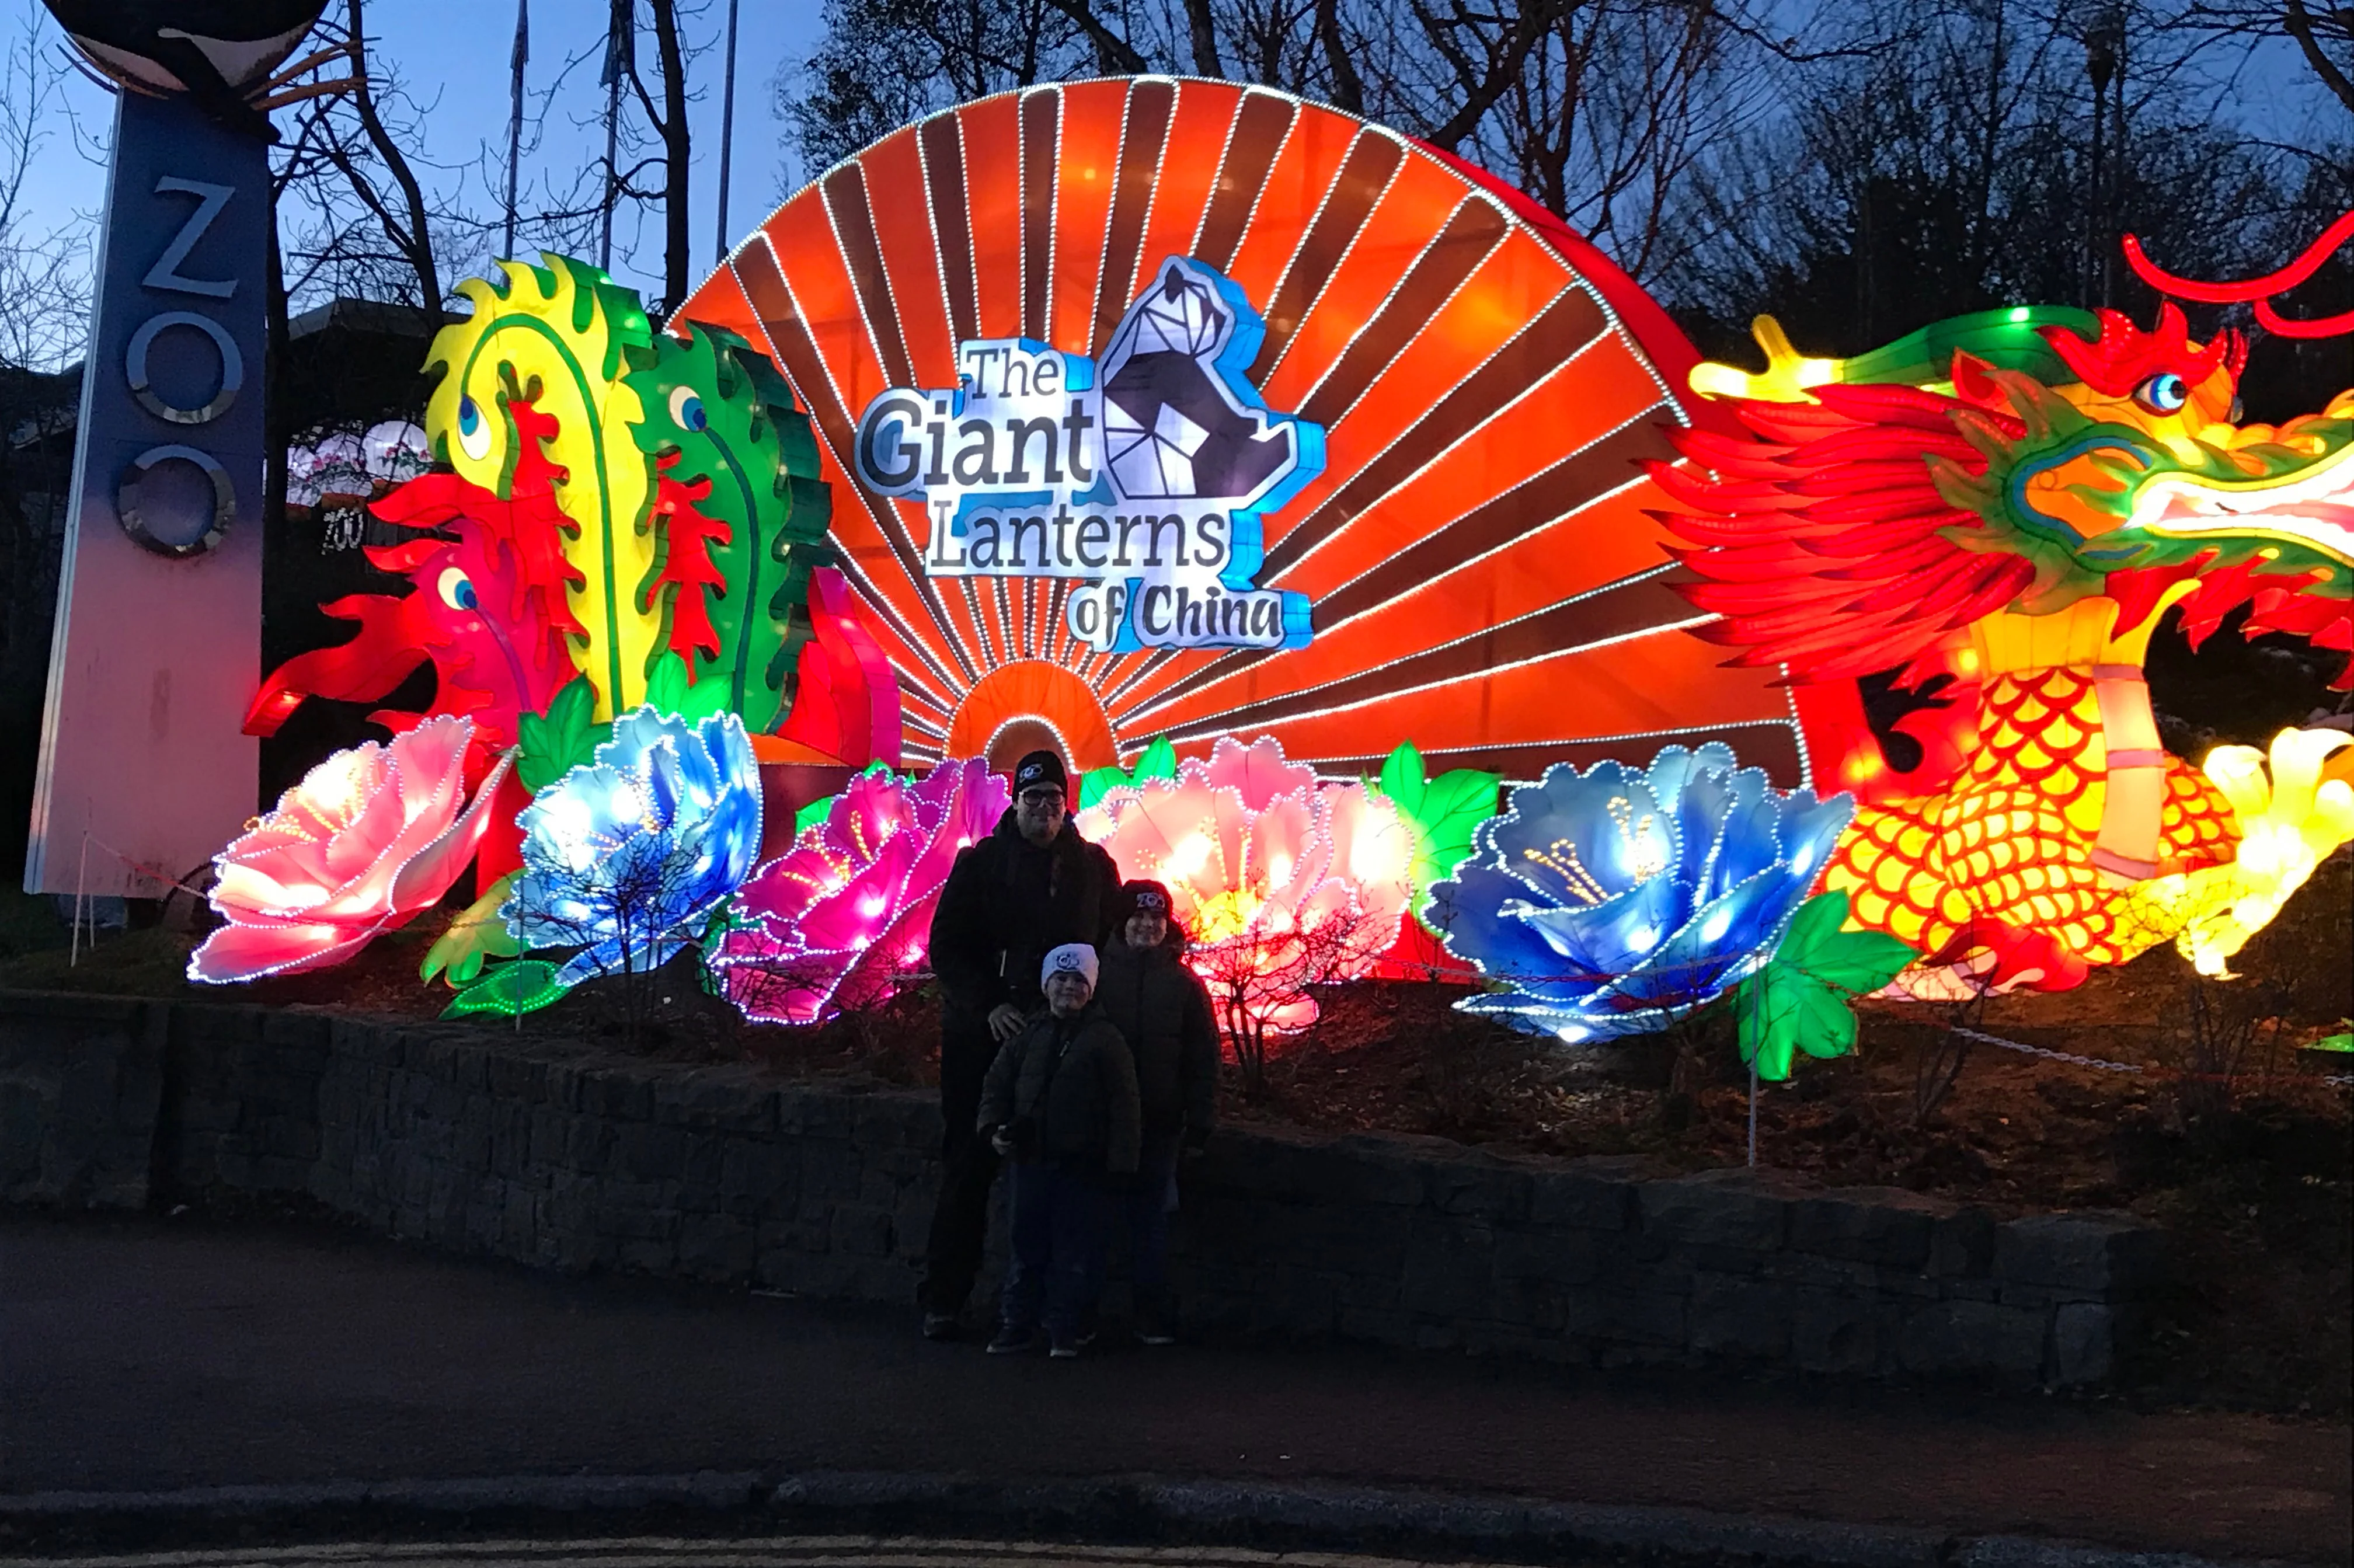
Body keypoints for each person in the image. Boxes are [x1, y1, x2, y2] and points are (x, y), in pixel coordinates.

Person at [917, 749, 1121, 1339]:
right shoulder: (982, 865)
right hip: (987, 1033)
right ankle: (944, 1299)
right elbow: (948, 946)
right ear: (1016, 803)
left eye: (1053, 798)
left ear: (1066, 804)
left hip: (1061, 1034)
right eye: (1033, 798)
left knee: (1062, 1173)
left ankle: (1053, 1311)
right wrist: (989, 1004)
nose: (1043, 809)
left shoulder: (1092, 868)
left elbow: (1110, 939)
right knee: (969, 1163)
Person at [976, 943, 1140, 1358]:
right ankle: (1017, 1322)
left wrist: (1121, 1163)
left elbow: (1125, 1104)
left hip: (1082, 1164)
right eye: (1061, 979)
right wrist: (992, 1129)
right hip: (1031, 1158)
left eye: (1078, 980)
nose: (1068, 988)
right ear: (1046, 985)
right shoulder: (1028, 1034)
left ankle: (1065, 1325)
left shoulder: (1105, 1039)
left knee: (1074, 1248)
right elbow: (997, 1085)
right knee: (1025, 1244)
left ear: (1091, 988)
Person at [1092, 879, 1218, 1345]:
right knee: (1093, 1218)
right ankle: (1083, 1311)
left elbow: (1203, 1057)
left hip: (1159, 1120)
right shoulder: (1097, 974)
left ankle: (1150, 1312)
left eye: (1156, 918)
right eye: (1139, 917)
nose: (1147, 926)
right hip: (1100, 1121)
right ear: (1122, 922)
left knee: (1151, 1222)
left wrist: (1200, 1121)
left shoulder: (1185, 985)